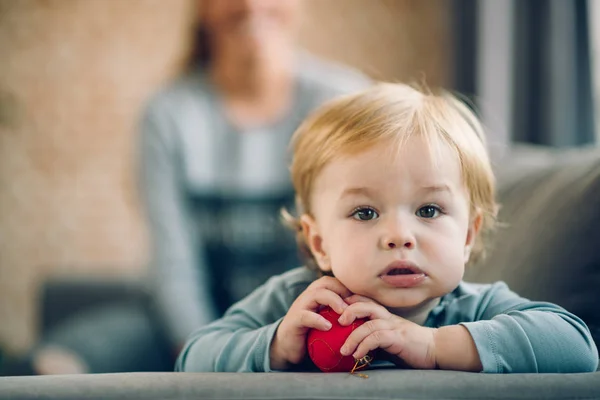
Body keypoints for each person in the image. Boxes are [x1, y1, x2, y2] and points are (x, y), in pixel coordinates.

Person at [4, 0, 369, 375]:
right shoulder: (168, 113)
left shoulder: (342, 99)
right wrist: (206, 358)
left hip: (305, 317)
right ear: (204, 9)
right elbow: (173, 264)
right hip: (184, 330)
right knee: (51, 365)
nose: (250, 4)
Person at [176, 83, 599, 373]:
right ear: (320, 243)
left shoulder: (474, 309)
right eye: (365, 213)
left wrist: (434, 346)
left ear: (467, 236)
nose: (400, 235)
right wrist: (276, 345)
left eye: (429, 210)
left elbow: (578, 348)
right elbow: (192, 358)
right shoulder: (297, 305)